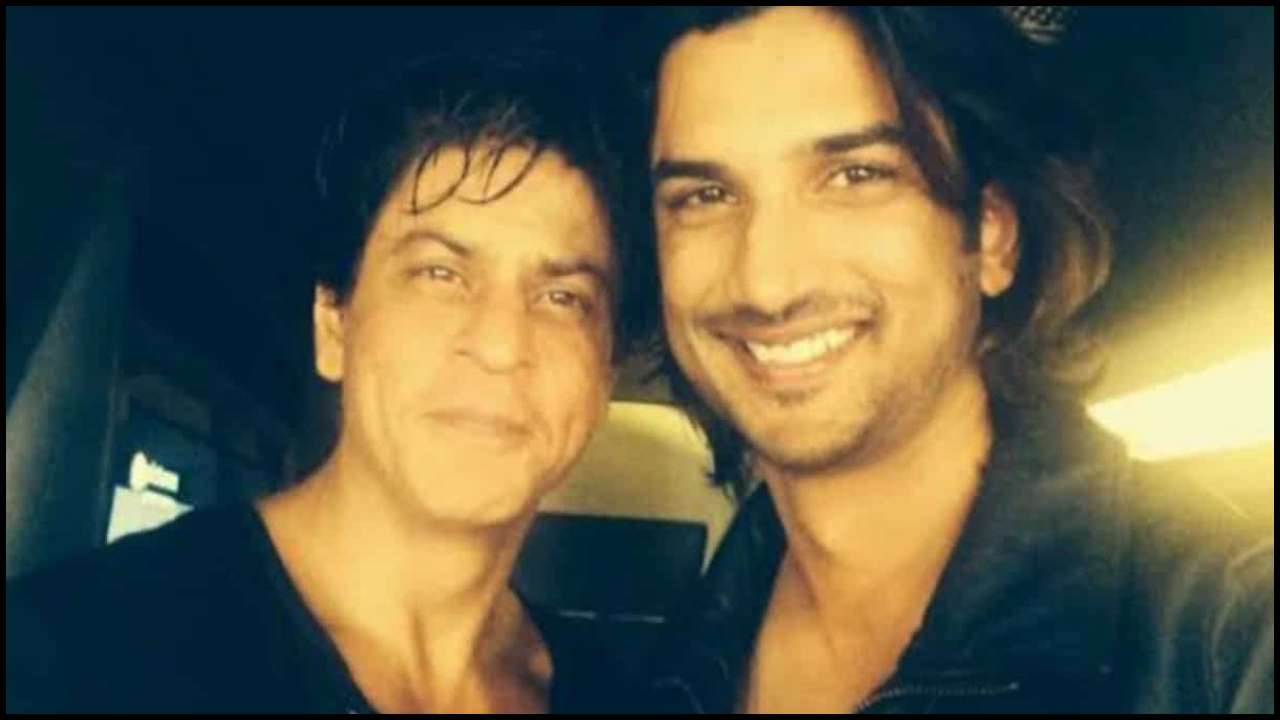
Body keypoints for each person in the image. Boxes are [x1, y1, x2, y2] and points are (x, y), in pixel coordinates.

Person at [634, 6, 1273, 713]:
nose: (767, 283)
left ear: (993, 236)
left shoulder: (1231, 642)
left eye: (855, 176)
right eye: (706, 196)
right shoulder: (679, 662)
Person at [6, 49, 654, 713]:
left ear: (604, 374)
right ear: (333, 327)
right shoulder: (76, 661)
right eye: (440, 274)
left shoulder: (617, 699)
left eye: (562, 298)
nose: (500, 345)